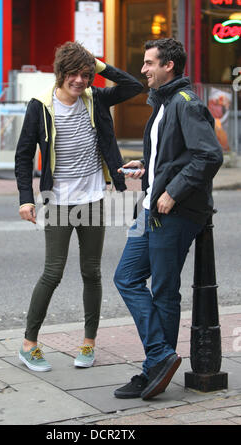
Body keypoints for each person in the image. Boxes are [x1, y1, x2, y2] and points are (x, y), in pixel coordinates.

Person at [15, 41, 143, 371]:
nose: (80, 81)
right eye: (74, 74)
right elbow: (23, 155)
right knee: (53, 272)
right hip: (58, 202)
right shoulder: (40, 106)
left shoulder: (96, 99)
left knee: (92, 272)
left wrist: (97, 65)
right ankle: (29, 343)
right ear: (61, 73)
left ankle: (89, 343)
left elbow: (133, 85)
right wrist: (25, 199)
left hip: (93, 199)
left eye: (86, 75)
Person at [113, 38, 223, 400]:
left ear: (168, 66)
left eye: (148, 63)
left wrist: (171, 191)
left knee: (163, 291)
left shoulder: (185, 104)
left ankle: (154, 369)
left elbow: (208, 156)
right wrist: (148, 170)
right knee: (126, 277)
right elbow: (176, 156)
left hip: (174, 212)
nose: (143, 70)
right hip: (152, 207)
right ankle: (160, 356)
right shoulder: (163, 104)